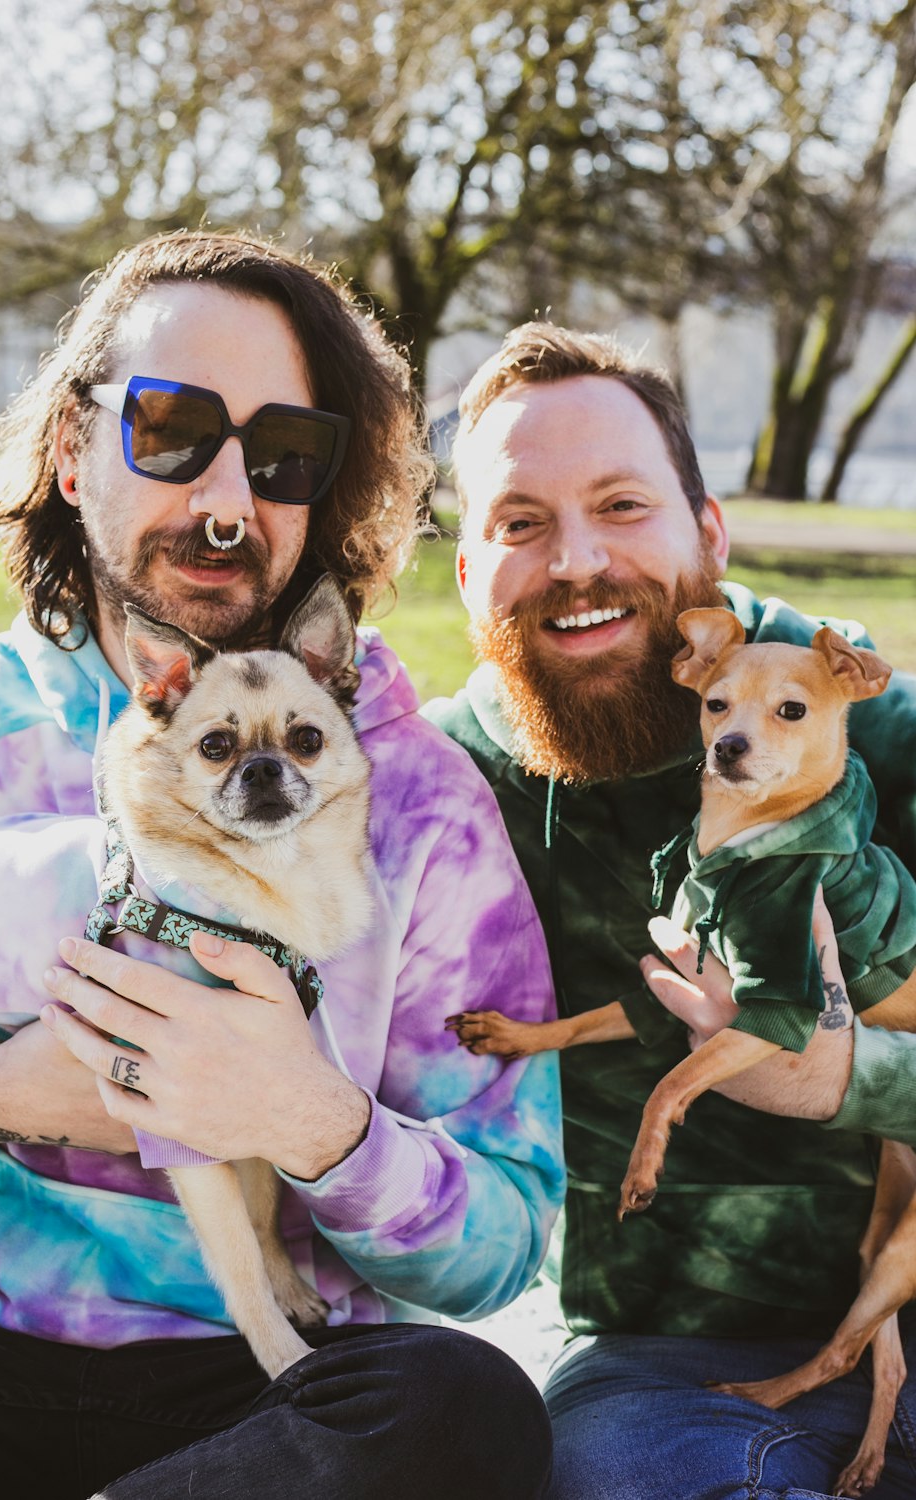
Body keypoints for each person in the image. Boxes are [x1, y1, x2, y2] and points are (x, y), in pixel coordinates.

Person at [0, 234, 564, 1499]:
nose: (228, 499)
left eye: (283, 458)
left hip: (275, 1398)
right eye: (171, 430)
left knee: (466, 1411)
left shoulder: (422, 803)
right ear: (68, 447)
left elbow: (506, 1238)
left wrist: (315, 1125)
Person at [427, 322, 916, 1499]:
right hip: (661, 1374)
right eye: (520, 523)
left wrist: (845, 1080)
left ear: (707, 530)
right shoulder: (441, 792)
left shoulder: (876, 735)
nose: (577, 560)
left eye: (621, 505)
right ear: (465, 574)